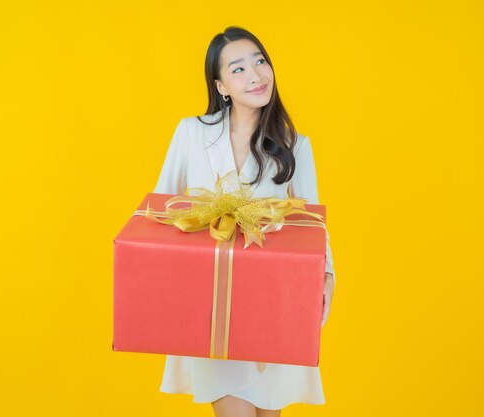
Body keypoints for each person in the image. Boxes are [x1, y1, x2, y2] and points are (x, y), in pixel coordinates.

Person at [153, 26, 336, 417]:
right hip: (211, 304)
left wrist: (327, 277)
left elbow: (312, 225)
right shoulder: (191, 133)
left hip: (273, 304)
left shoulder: (294, 146)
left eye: (260, 61)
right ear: (221, 86)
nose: (255, 75)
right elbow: (160, 212)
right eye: (238, 69)